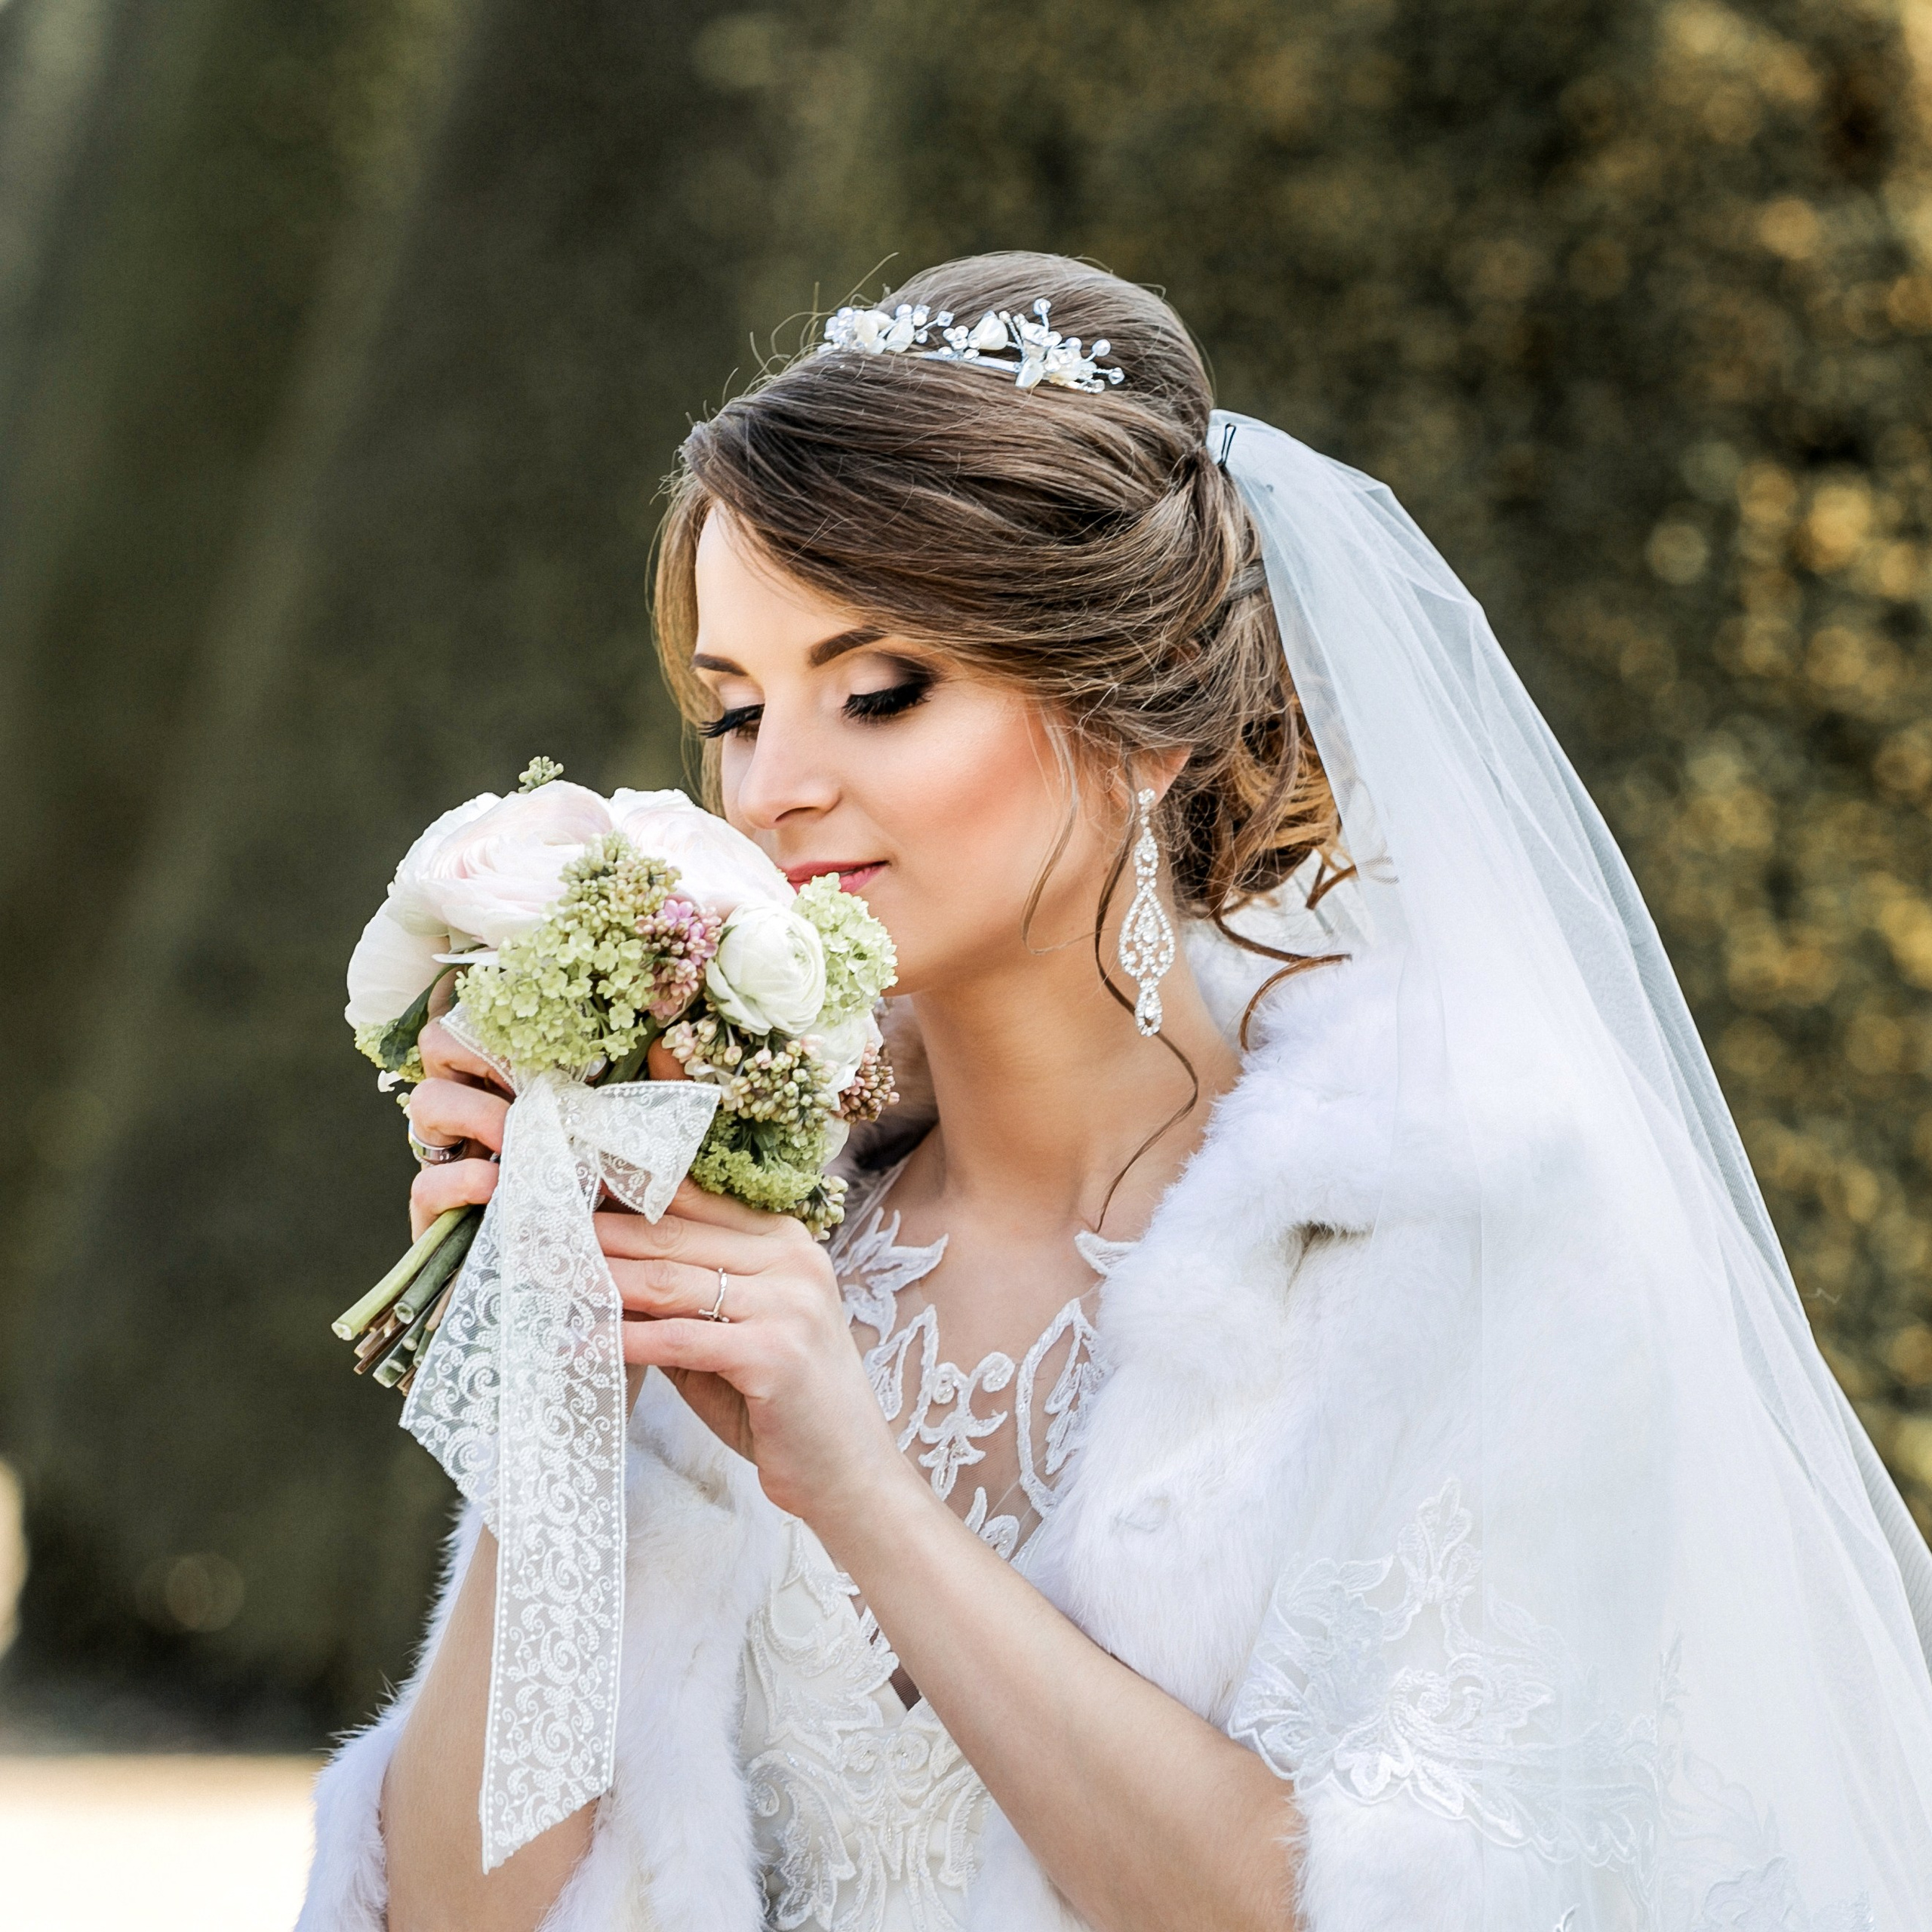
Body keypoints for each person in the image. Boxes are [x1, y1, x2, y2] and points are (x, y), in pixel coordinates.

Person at [299, 252, 1932, 1932]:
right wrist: (557, 1377)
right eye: (731, 708)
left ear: (1142, 707)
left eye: (879, 689)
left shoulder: (1461, 1230)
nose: (777, 784)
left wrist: (854, 1484)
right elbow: (452, 1910)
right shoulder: (741, 1224)